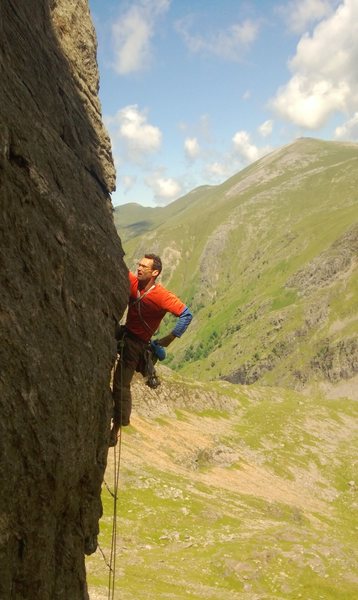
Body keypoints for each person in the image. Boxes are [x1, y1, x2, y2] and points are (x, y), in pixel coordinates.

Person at [109, 253, 192, 446]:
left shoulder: (161, 296)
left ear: (155, 272)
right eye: (139, 265)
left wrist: (170, 338)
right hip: (126, 333)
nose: (139, 268)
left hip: (137, 343)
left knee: (121, 384)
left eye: (144, 267)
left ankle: (116, 429)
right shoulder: (134, 282)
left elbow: (186, 314)